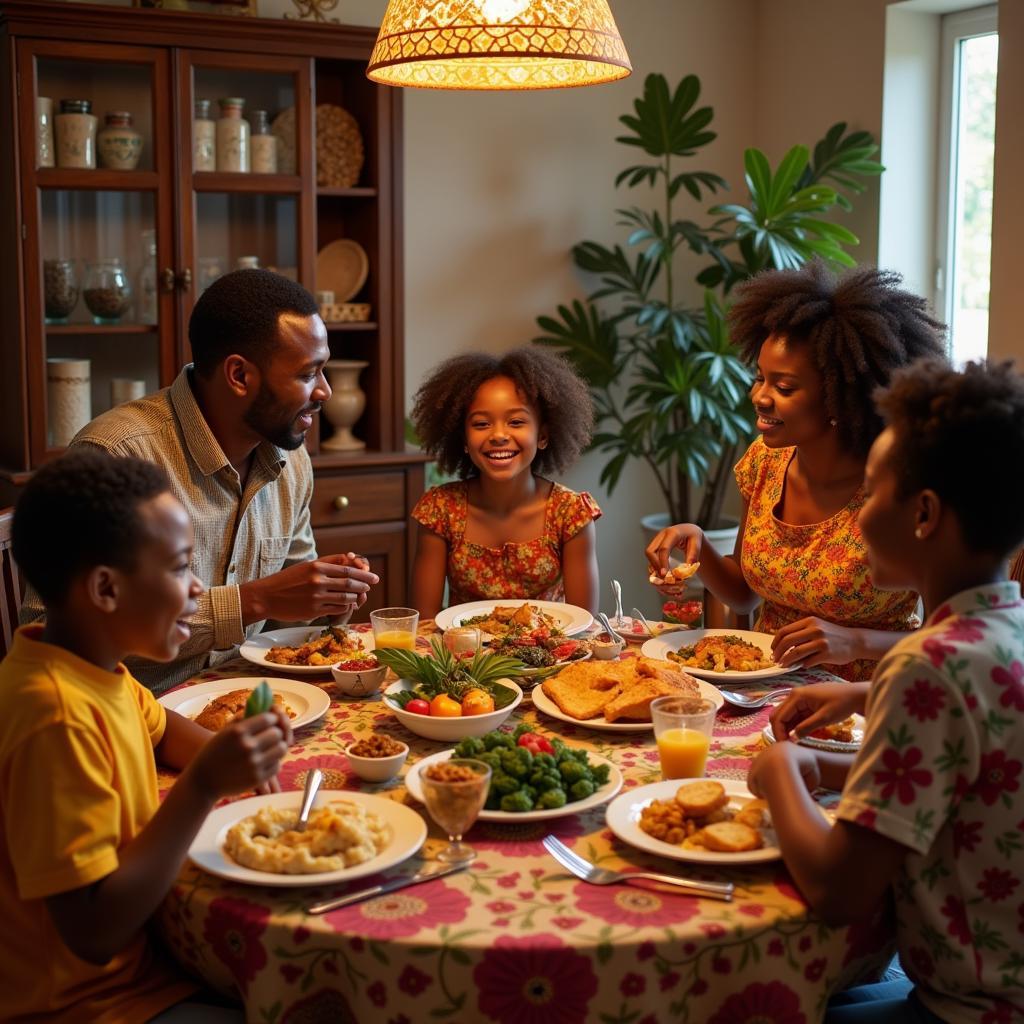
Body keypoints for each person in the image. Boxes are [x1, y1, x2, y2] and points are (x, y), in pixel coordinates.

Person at [748, 359, 1024, 1023]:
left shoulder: (923, 665)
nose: (857, 511)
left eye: (869, 493)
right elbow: (950, 781)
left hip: (965, 1009)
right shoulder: (1005, 629)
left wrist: (785, 770)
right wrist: (828, 762)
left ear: (924, 514)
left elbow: (839, 889)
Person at [0, 449, 292, 1022]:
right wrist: (204, 785)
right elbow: (94, 931)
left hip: (154, 962)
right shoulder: (54, 715)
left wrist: (236, 754)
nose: (198, 588)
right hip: (89, 1004)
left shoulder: (95, 667)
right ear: (106, 590)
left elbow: (166, 735)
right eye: (181, 566)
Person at [21, 269, 378, 693]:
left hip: (254, 701)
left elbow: (288, 625)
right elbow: (54, 638)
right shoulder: (116, 455)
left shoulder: (291, 460)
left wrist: (330, 597)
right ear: (239, 376)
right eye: (307, 374)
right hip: (136, 724)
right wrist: (250, 601)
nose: (325, 392)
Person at [646, 262, 946, 680]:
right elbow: (743, 594)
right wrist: (697, 544)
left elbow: (947, 640)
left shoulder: (900, 486)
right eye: (759, 379)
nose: (760, 397)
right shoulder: (765, 462)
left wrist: (854, 641)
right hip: (765, 688)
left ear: (842, 398)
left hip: (867, 704)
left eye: (784, 388)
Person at [409, 347, 600, 617]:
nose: (499, 435)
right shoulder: (440, 510)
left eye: (516, 421)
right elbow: (425, 623)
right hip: (465, 656)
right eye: (481, 424)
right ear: (463, 439)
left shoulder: (571, 514)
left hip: (554, 656)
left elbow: (583, 624)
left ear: (543, 435)